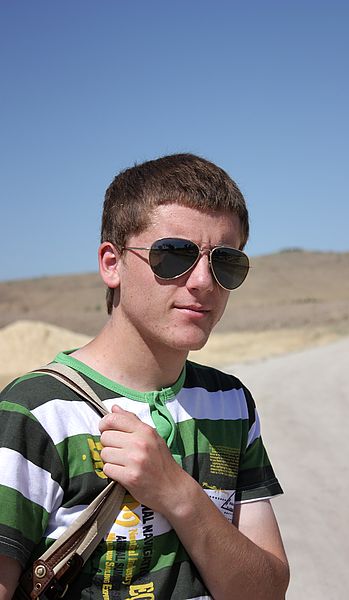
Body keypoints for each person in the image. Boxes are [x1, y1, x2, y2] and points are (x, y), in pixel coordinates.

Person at [0, 153, 289, 600]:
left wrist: (177, 493)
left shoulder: (230, 401)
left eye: (226, 262)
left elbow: (266, 591)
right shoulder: (38, 412)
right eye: (174, 255)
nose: (203, 282)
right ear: (111, 263)